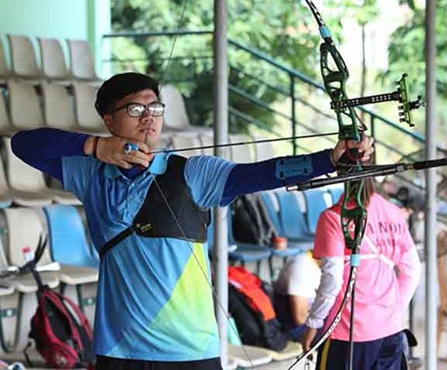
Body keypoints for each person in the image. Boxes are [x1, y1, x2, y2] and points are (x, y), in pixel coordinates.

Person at [10, 72, 374, 370]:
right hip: (120, 349)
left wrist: (329, 160)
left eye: (155, 107)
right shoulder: (89, 172)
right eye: (135, 108)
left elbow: (260, 174)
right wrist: (95, 146)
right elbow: (23, 144)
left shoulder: (193, 173)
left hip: (189, 351)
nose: (149, 116)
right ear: (109, 119)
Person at [300, 178, 421, 370]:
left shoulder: (334, 217)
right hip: (391, 332)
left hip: (348, 335)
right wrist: (392, 311)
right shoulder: (393, 212)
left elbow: (332, 280)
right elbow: (412, 270)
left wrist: (313, 324)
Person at [273, 251, 321, 341]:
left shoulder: (324, 266)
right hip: (294, 328)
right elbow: (300, 319)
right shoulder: (302, 267)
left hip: (312, 319)